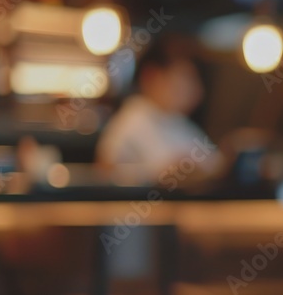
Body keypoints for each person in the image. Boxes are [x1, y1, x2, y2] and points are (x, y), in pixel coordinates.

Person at [96, 35, 227, 185]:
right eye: (183, 78)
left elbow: (215, 165)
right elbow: (106, 170)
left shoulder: (180, 123)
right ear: (151, 76)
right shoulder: (132, 120)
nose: (195, 90)